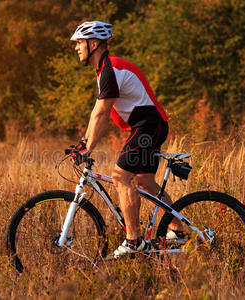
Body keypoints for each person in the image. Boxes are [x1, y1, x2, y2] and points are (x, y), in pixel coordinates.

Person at [70, 21, 185, 258]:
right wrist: (84, 142)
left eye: (79, 42)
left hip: (148, 126)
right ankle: (179, 232)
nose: (76, 48)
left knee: (121, 176)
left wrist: (88, 149)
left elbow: (102, 114)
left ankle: (133, 241)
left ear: (94, 44)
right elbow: (96, 112)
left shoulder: (111, 69)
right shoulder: (105, 69)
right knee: (144, 181)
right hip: (149, 126)